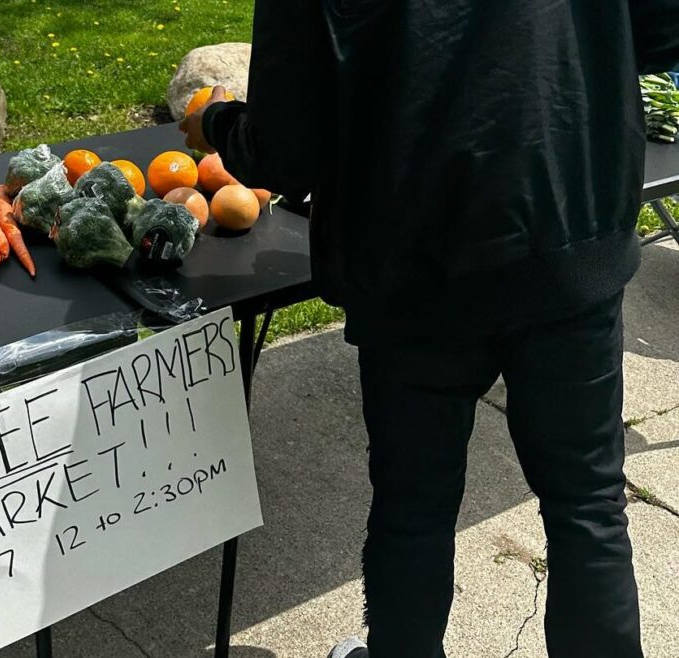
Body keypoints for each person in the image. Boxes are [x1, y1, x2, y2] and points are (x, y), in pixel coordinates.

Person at [181, 2, 679, 657]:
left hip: (416, 264)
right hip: (568, 234)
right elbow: (660, 32)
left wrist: (214, 119)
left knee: (414, 513)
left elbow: (288, 152)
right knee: (587, 506)